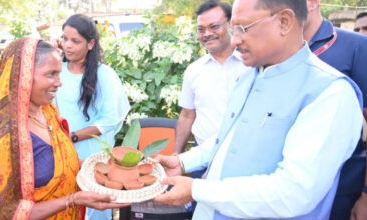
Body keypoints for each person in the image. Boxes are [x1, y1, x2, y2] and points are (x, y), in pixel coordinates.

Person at [153, 0, 363, 219]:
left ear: (284, 22)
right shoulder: (249, 76)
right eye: (233, 29)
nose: (235, 40)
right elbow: (230, 138)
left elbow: (294, 193)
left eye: (243, 29)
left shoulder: (330, 93)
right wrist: (184, 161)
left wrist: (196, 189)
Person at [0, 38, 129, 219]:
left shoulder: (48, 113)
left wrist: (107, 169)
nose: (59, 83)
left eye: (59, 74)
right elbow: (6, 213)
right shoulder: (4, 136)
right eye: (51, 74)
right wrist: (72, 200)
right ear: (23, 76)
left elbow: (63, 163)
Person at [55, 14, 130, 220]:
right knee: (65, 206)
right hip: (61, 154)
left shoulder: (104, 74)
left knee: (95, 209)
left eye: (75, 41)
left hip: (92, 156)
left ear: (90, 44)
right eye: (64, 38)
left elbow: (110, 119)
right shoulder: (56, 71)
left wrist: (74, 136)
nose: (67, 45)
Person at [302, 1, 367, 219]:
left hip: (341, 189)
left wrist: (366, 195)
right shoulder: (273, 50)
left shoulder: (357, 46)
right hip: (283, 187)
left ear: (312, 3)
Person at [175, 0, 247, 179]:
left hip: (242, 160)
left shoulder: (251, 65)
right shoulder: (194, 70)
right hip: (201, 161)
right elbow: (187, 114)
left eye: (214, 27)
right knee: (199, 207)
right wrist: (177, 155)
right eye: (201, 29)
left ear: (232, 24)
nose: (207, 34)